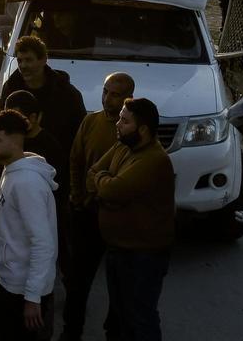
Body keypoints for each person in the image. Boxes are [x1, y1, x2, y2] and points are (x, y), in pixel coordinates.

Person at [88, 97, 174, 341]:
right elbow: (93, 172)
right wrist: (105, 181)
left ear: (143, 129)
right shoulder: (123, 145)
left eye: (124, 121)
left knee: (140, 318)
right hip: (119, 249)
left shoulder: (154, 160)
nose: (117, 124)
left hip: (142, 256)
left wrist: (104, 183)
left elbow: (110, 190)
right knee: (119, 317)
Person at [63, 72, 135, 341]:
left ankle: (113, 332)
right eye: (106, 91)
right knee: (78, 281)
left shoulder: (133, 129)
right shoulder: (91, 121)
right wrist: (77, 196)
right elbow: (75, 159)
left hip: (118, 218)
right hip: (87, 214)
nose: (108, 98)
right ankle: (71, 331)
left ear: (128, 97)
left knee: (119, 283)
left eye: (115, 94)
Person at [0, 109, 59, 341]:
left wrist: (32, 297)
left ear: (16, 141)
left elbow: (43, 244)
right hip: (12, 282)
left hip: (23, 291)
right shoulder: (12, 169)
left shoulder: (26, 183)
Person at [0, 36, 86, 156]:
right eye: (20, 61)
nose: (23, 66)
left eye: (28, 60)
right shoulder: (11, 88)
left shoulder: (67, 93)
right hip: (18, 160)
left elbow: (80, 134)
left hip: (56, 163)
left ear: (43, 60)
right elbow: (1, 126)